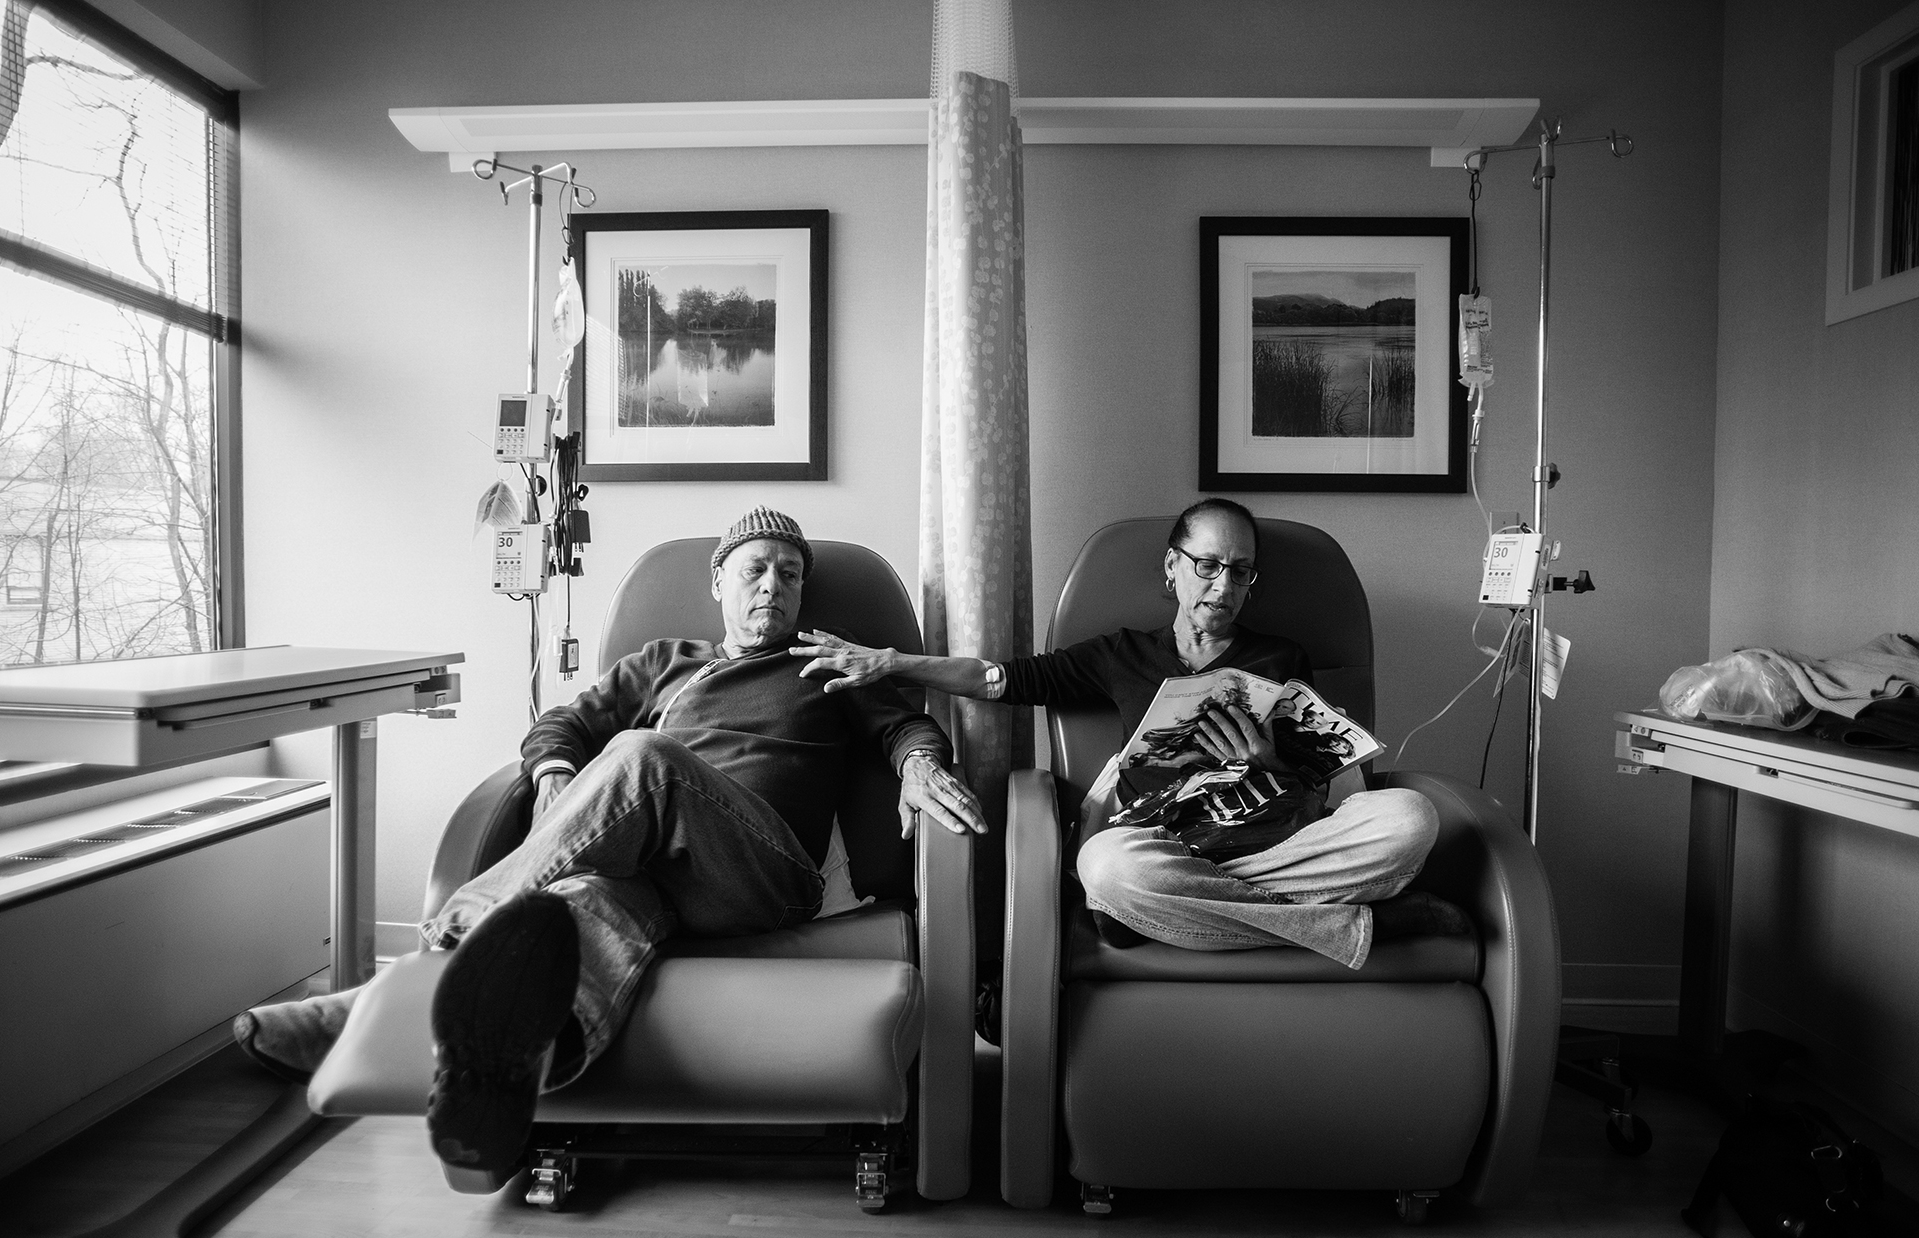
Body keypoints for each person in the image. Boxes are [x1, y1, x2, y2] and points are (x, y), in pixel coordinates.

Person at [232, 506, 984, 1177]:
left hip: (760, 870)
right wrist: (559, 777)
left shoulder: (823, 663)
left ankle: (419, 971)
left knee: (640, 756)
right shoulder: (663, 663)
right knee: (576, 903)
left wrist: (918, 764)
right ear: (718, 581)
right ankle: (504, 1072)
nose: (774, 586)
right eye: (755, 569)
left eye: (790, 575)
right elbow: (560, 725)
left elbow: (905, 724)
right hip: (653, 879)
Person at [789, 498, 1462, 971]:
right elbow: (1000, 679)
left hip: (1275, 846)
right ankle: (1357, 927)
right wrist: (895, 663)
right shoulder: (1121, 655)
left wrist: (1269, 763)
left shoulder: (1281, 659)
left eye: (1241, 572)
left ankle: (1176, 916)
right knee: (1107, 868)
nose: (1224, 585)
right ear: (1173, 567)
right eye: (1208, 565)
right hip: (1163, 850)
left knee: (1409, 817)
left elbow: (1329, 775)